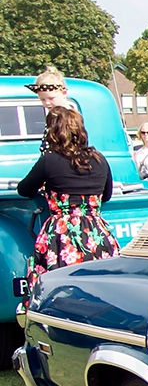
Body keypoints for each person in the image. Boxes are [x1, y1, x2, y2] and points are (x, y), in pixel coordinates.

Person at [17, 108, 120, 303]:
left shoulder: (49, 161)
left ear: (54, 132)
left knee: (59, 293)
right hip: (95, 232)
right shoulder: (99, 159)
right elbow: (106, 195)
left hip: (61, 235)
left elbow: (24, 189)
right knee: (101, 293)